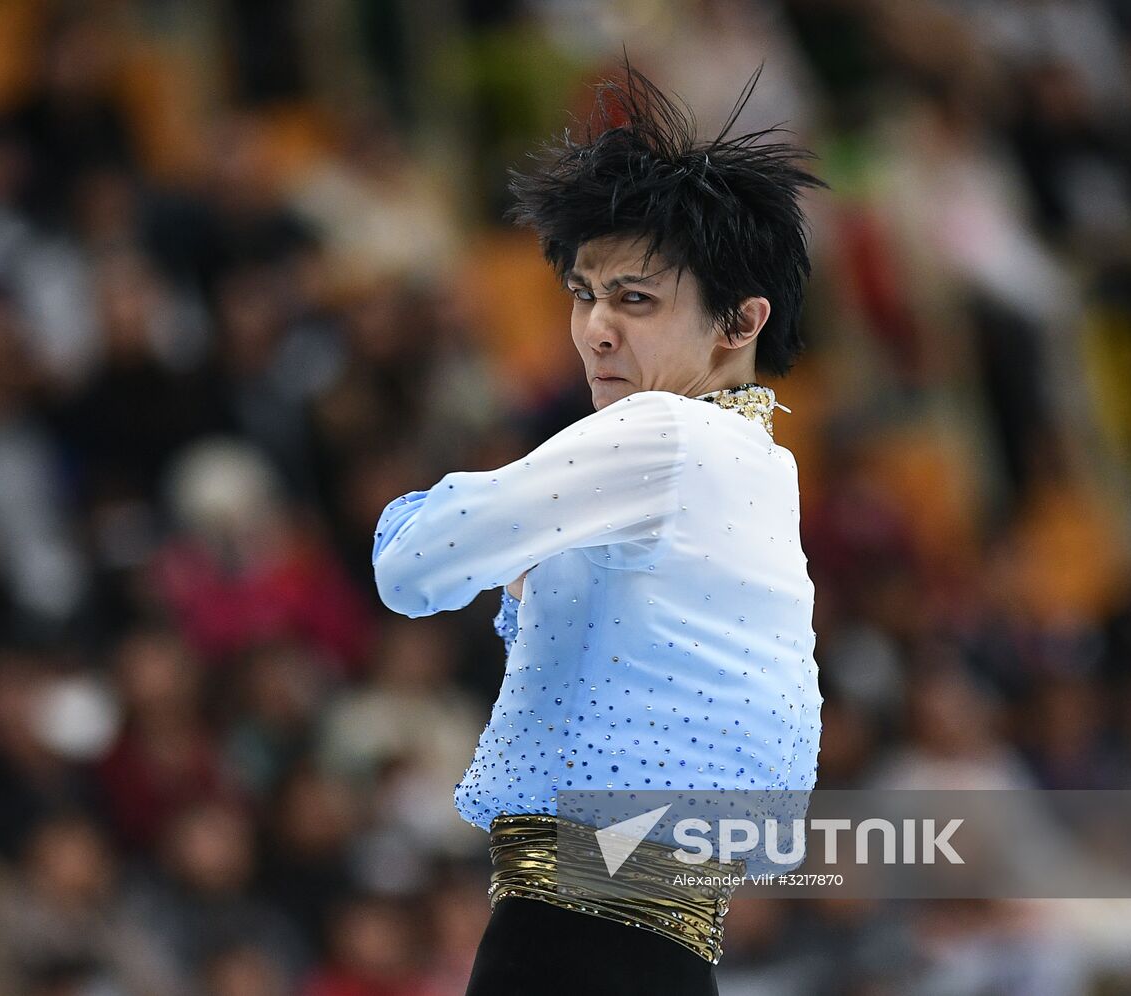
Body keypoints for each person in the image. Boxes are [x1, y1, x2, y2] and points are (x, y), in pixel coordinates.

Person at [372, 64, 825, 995]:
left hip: (567, 943)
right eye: (585, 293)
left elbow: (411, 566)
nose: (594, 331)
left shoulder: (660, 432)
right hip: (667, 947)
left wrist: (461, 528)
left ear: (740, 319)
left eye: (636, 299)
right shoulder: (765, 471)